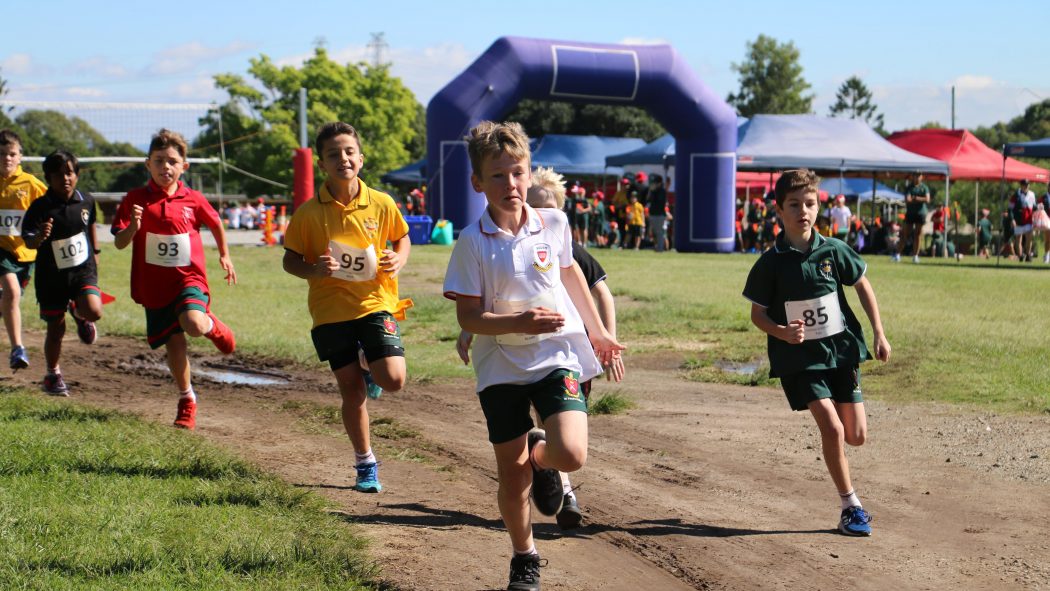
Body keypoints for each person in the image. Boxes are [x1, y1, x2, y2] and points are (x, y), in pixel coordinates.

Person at [442, 121, 623, 591]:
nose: (511, 185)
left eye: (518, 173)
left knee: (572, 453)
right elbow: (469, 317)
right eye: (498, 176)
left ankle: (542, 459)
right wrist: (517, 323)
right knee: (511, 474)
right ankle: (524, 556)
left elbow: (572, 278)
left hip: (555, 353)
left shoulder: (555, 223)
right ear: (478, 182)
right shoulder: (471, 240)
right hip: (500, 365)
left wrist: (600, 333)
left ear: (529, 174)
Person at [742, 168, 890, 538]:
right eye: (794, 205)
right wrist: (781, 332)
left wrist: (879, 333)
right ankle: (850, 506)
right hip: (800, 360)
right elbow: (757, 314)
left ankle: (843, 476)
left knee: (856, 435)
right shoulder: (770, 263)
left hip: (841, 352)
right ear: (779, 210)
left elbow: (862, 285)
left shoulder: (833, 250)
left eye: (809, 204)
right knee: (833, 427)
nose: (803, 211)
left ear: (818, 206)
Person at [283, 121, 412, 494]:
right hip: (330, 313)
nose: (343, 158)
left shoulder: (382, 203)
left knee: (394, 379)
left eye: (349, 151)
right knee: (352, 394)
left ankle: (368, 362)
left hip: (375, 304)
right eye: (333, 154)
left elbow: (402, 239)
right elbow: (289, 260)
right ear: (322, 164)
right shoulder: (308, 213)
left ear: (361, 157)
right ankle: (365, 462)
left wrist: (397, 259)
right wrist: (313, 268)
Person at [112, 129, 237, 430]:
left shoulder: (192, 199)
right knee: (175, 345)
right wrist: (134, 227)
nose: (165, 167)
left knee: (193, 323)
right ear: (148, 164)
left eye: (172, 161)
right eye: (158, 161)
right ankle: (187, 399)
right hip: (154, 286)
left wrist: (225, 254)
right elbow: (119, 242)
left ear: (184, 166)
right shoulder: (135, 199)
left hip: (189, 278)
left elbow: (215, 222)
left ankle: (213, 326)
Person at [22, 150, 103, 395]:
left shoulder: (86, 201)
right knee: (56, 329)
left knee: (94, 310)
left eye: (69, 173)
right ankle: (52, 374)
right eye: (58, 175)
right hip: (52, 277)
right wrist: (39, 236)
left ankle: (80, 314)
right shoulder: (40, 207)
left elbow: (90, 227)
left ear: (76, 175)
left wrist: (96, 253)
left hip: (82, 270)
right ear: (48, 178)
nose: (65, 179)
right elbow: (28, 242)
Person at [0, 130, 47, 370]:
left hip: (26, 253)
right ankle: (18, 348)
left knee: (10, 298)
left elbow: (51, 206)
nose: (6, 159)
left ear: (20, 157)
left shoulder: (30, 184)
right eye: (1, 154)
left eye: (11, 154)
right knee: (12, 292)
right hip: (1, 251)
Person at [897, 173, 930, 263]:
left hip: (920, 214)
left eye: (919, 175)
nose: (917, 177)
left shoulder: (924, 187)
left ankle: (915, 256)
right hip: (910, 213)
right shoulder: (909, 187)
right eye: (915, 175)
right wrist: (919, 199)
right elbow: (908, 199)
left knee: (918, 235)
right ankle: (897, 255)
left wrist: (915, 198)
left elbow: (927, 199)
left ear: (922, 177)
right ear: (913, 177)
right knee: (905, 234)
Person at [1010, 179, 1036, 262]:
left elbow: (1034, 206)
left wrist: (1038, 208)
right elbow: (1010, 208)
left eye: (1028, 184)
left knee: (1029, 238)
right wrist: (1012, 219)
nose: (1026, 186)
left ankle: (1028, 254)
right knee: (1018, 239)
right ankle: (1021, 256)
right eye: (1025, 184)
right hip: (1018, 220)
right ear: (1021, 185)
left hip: (1028, 219)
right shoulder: (1016, 195)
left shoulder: (1032, 194)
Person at [647, 175, 669, 252]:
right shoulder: (653, 191)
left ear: (659, 183)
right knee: (655, 232)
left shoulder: (661, 191)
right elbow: (648, 200)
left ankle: (660, 248)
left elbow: (658, 202)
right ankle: (657, 247)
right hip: (653, 214)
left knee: (660, 232)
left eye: (655, 183)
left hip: (659, 215)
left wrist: (653, 192)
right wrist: (651, 191)